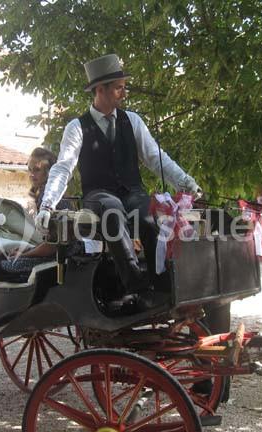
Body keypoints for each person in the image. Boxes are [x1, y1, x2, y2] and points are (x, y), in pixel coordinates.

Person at [34, 54, 201, 307]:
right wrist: (47, 204)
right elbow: (63, 167)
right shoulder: (76, 127)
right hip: (98, 195)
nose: (124, 93)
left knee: (147, 214)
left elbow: (157, 159)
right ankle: (136, 287)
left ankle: (163, 285)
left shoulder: (132, 121)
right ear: (100, 90)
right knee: (112, 211)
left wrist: (185, 182)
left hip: (132, 191)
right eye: (119, 88)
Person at [0, 148, 73, 285]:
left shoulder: (50, 200)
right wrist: (28, 250)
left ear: (49, 172)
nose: (32, 174)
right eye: (30, 170)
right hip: (56, 257)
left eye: (37, 170)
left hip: (55, 260)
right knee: (1, 258)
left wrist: (25, 254)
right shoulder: (55, 195)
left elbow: (52, 247)